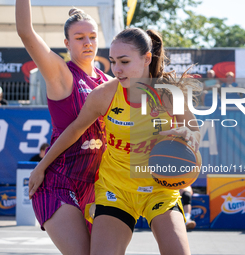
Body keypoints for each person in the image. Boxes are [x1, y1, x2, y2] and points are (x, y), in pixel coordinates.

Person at [31, 28, 202, 255]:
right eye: (112, 62)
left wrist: (189, 137)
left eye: (124, 61)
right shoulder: (105, 94)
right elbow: (73, 131)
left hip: (159, 189)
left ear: (146, 59)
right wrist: (41, 167)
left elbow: (194, 132)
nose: (117, 69)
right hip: (116, 189)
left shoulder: (169, 94)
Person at [16, 1, 110, 254]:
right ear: (67, 44)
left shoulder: (109, 82)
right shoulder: (62, 74)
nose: (88, 42)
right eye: (79, 38)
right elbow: (25, 31)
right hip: (58, 180)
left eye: (92, 36)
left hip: (97, 185)